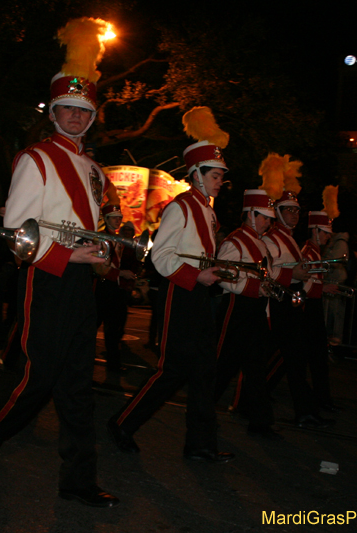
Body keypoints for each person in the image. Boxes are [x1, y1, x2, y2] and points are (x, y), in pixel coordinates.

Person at [0, 17, 119, 508]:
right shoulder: (36, 158)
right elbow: (17, 232)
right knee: (37, 377)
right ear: (54, 112)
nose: (76, 117)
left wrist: (100, 253)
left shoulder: (95, 168)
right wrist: (66, 254)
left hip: (81, 280)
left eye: (84, 110)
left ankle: (78, 480)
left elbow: (86, 222)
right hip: (48, 276)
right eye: (68, 109)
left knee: (78, 384)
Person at [107, 106, 235, 463]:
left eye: (222, 175)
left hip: (198, 295)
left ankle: (200, 445)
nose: (220, 180)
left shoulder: (208, 211)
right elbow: (161, 256)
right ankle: (121, 423)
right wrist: (199, 276)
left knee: (204, 373)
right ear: (196, 174)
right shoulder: (181, 206)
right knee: (172, 371)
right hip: (180, 295)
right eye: (215, 174)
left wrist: (219, 272)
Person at [262, 171, 334, 429]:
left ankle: (306, 411)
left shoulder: (289, 239)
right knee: (263, 358)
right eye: (289, 209)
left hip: (290, 305)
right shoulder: (271, 239)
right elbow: (266, 273)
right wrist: (295, 273)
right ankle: (248, 404)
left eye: (296, 210)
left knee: (294, 360)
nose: (294, 214)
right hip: (276, 305)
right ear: (277, 212)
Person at [213, 189, 279, 439]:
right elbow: (223, 275)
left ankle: (260, 422)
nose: (268, 222)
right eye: (264, 216)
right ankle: (201, 412)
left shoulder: (260, 242)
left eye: (270, 218)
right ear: (250, 214)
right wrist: (255, 286)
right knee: (223, 366)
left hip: (256, 309)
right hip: (237, 307)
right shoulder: (234, 241)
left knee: (256, 367)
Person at [300, 211, 339, 413]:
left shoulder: (315, 252)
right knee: (309, 358)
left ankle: (322, 399)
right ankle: (318, 400)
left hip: (313, 308)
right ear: (315, 231)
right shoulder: (308, 252)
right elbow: (304, 284)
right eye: (324, 232)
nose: (327, 236)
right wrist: (321, 288)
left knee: (317, 357)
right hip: (307, 308)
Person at [94, 203, 136, 372]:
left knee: (114, 330)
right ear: (106, 219)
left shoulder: (118, 239)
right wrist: (121, 274)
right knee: (94, 328)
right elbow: (99, 268)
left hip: (114, 289)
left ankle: (113, 364)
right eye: (114, 217)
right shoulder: (102, 238)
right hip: (102, 289)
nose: (119, 220)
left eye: (120, 217)